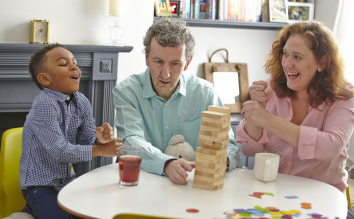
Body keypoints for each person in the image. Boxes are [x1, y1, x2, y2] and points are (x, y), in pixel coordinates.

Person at [236, 21, 354, 218]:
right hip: (274, 198)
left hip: (324, 199)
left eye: (297, 57)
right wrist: (258, 112)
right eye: (285, 54)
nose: (287, 63)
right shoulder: (271, 87)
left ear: (322, 63)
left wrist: (269, 120)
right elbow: (248, 150)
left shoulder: (343, 95)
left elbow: (330, 146)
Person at [112, 18, 239, 185]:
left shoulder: (206, 93)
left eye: (175, 64)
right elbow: (131, 141)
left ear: (187, 63)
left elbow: (228, 145)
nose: (166, 74)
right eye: (158, 62)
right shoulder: (126, 92)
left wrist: (224, 161)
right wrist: (167, 164)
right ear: (147, 58)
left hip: (191, 186)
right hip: (140, 184)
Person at [20, 43, 123, 219]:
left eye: (74, 63)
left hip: (67, 182)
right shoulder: (44, 104)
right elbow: (60, 151)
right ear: (45, 79)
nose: (74, 67)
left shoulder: (81, 101)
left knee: (93, 212)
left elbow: (87, 140)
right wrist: (100, 150)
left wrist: (99, 141)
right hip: (40, 186)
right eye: (63, 64)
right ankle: (31, 208)